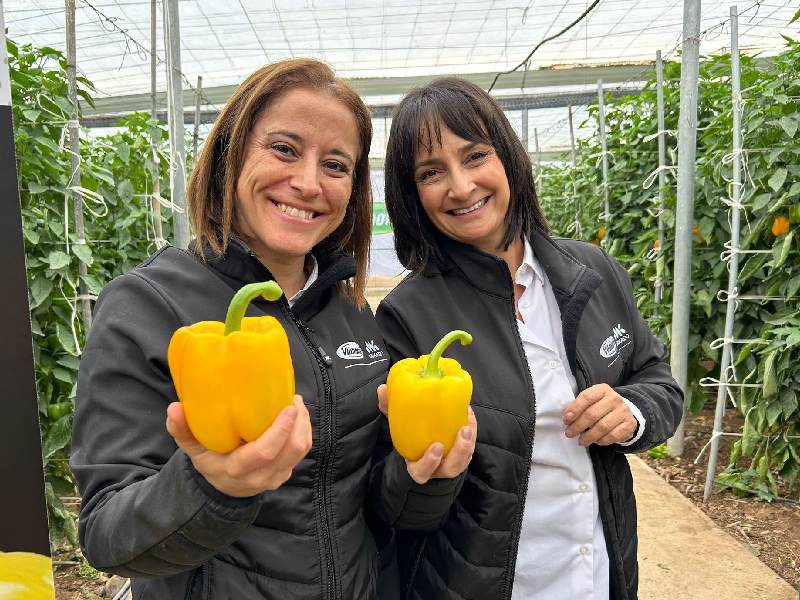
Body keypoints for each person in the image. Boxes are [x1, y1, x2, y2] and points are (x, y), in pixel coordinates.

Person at [70, 59, 476, 600]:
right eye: (283, 149)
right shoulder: (149, 307)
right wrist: (211, 488)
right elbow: (107, 535)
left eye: (335, 165)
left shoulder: (349, 310)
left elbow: (373, 506)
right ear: (230, 155)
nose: (308, 183)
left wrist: (424, 476)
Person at [375, 77, 683, 600]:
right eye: (432, 172)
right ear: (412, 195)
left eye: (475, 156)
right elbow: (395, 507)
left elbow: (659, 382)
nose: (461, 186)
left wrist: (631, 413)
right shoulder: (407, 317)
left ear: (508, 158)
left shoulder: (593, 271)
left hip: (601, 573)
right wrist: (427, 473)